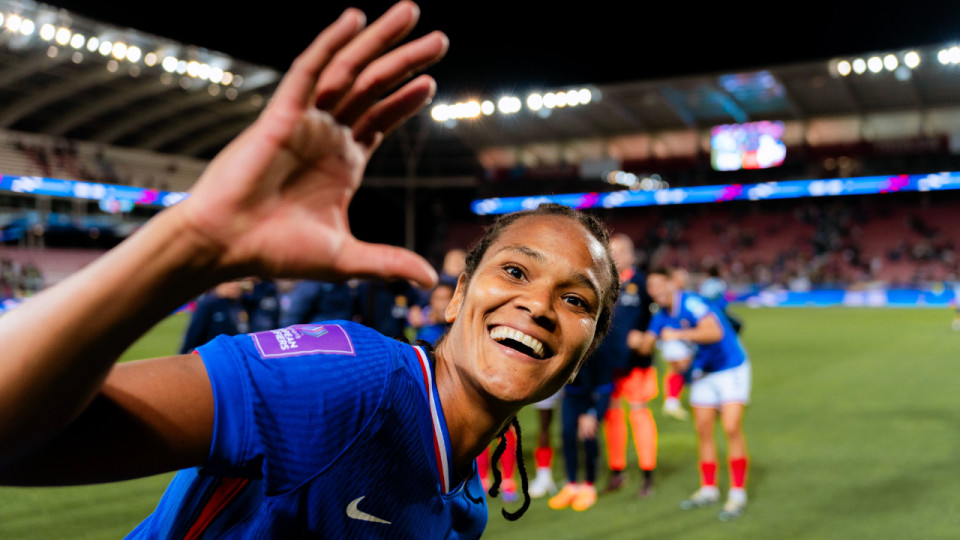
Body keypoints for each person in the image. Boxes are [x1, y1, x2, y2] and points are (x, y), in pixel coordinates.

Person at [0, 5, 621, 538]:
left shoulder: (466, 510)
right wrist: (191, 241)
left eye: (576, 301)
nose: (540, 304)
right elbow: (17, 437)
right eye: (515, 271)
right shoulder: (353, 382)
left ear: (588, 347)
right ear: (456, 297)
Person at [636, 267, 752, 521]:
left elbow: (714, 332)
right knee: (704, 431)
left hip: (729, 367)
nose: (656, 291)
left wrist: (677, 335)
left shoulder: (692, 302)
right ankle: (709, 489)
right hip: (702, 373)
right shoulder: (659, 316)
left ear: (672, 283)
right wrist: (634, 338)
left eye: (660, 285)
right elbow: (646, 345)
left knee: (731, 427)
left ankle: (737, 492)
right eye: (651, 288)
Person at [601, 233, 658, 498]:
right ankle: (617, 471)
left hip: (637, 365)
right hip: (608, 364)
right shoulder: (602, 284)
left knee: (638, 415)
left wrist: (648, 338)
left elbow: (660, 318)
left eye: (621, 250)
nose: (615, 255)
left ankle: (647, 475)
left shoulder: (643, 284)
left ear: (632, 255)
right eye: (611, 250)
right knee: (612, 417)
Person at [179, 279, 251, 354]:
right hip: (213, 357)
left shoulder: (245, 304)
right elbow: (193, 335)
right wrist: (182, 355)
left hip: (236, 357)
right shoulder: (208, 304)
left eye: (237, 281)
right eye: (229, 282)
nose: (234, 285)